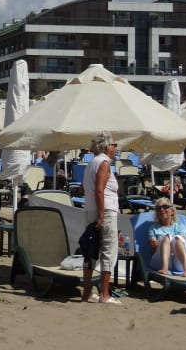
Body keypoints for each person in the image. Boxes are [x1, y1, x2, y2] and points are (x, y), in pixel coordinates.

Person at [81, 131, 121, 305]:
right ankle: (105, 294)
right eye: (114, 145)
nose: (116, 148)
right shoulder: (104, 162)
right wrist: (102, 214)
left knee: (91, 250)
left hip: (91, 209)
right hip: (104, 210)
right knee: (107, 251)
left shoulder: (91, 163)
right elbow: (100, 190)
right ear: (107, 147)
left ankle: (88, 291)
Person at [148, 200, 186, 276]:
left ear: (172, 211)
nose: (162, 210)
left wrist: (171, 242)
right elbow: (153, 251)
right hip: (160, 262)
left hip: (180, 262)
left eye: (165, 207)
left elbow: (184, 243)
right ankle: (164, 268)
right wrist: (155, 245)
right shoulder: (153, 228)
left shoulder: (180, 227)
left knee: (177, 239)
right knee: (166, 238)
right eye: (158, 208)